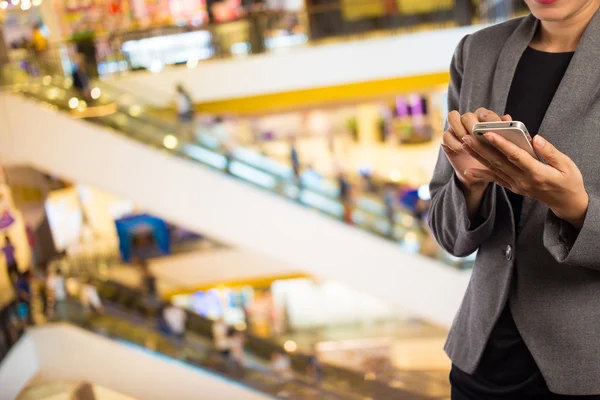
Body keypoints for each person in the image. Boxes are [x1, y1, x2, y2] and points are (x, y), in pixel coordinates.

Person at [428, 1, 600, 398]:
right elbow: (449, 235)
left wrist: (575, 207)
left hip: (587, 369)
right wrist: (469, 185)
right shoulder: (478, 51)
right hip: (483, 363)